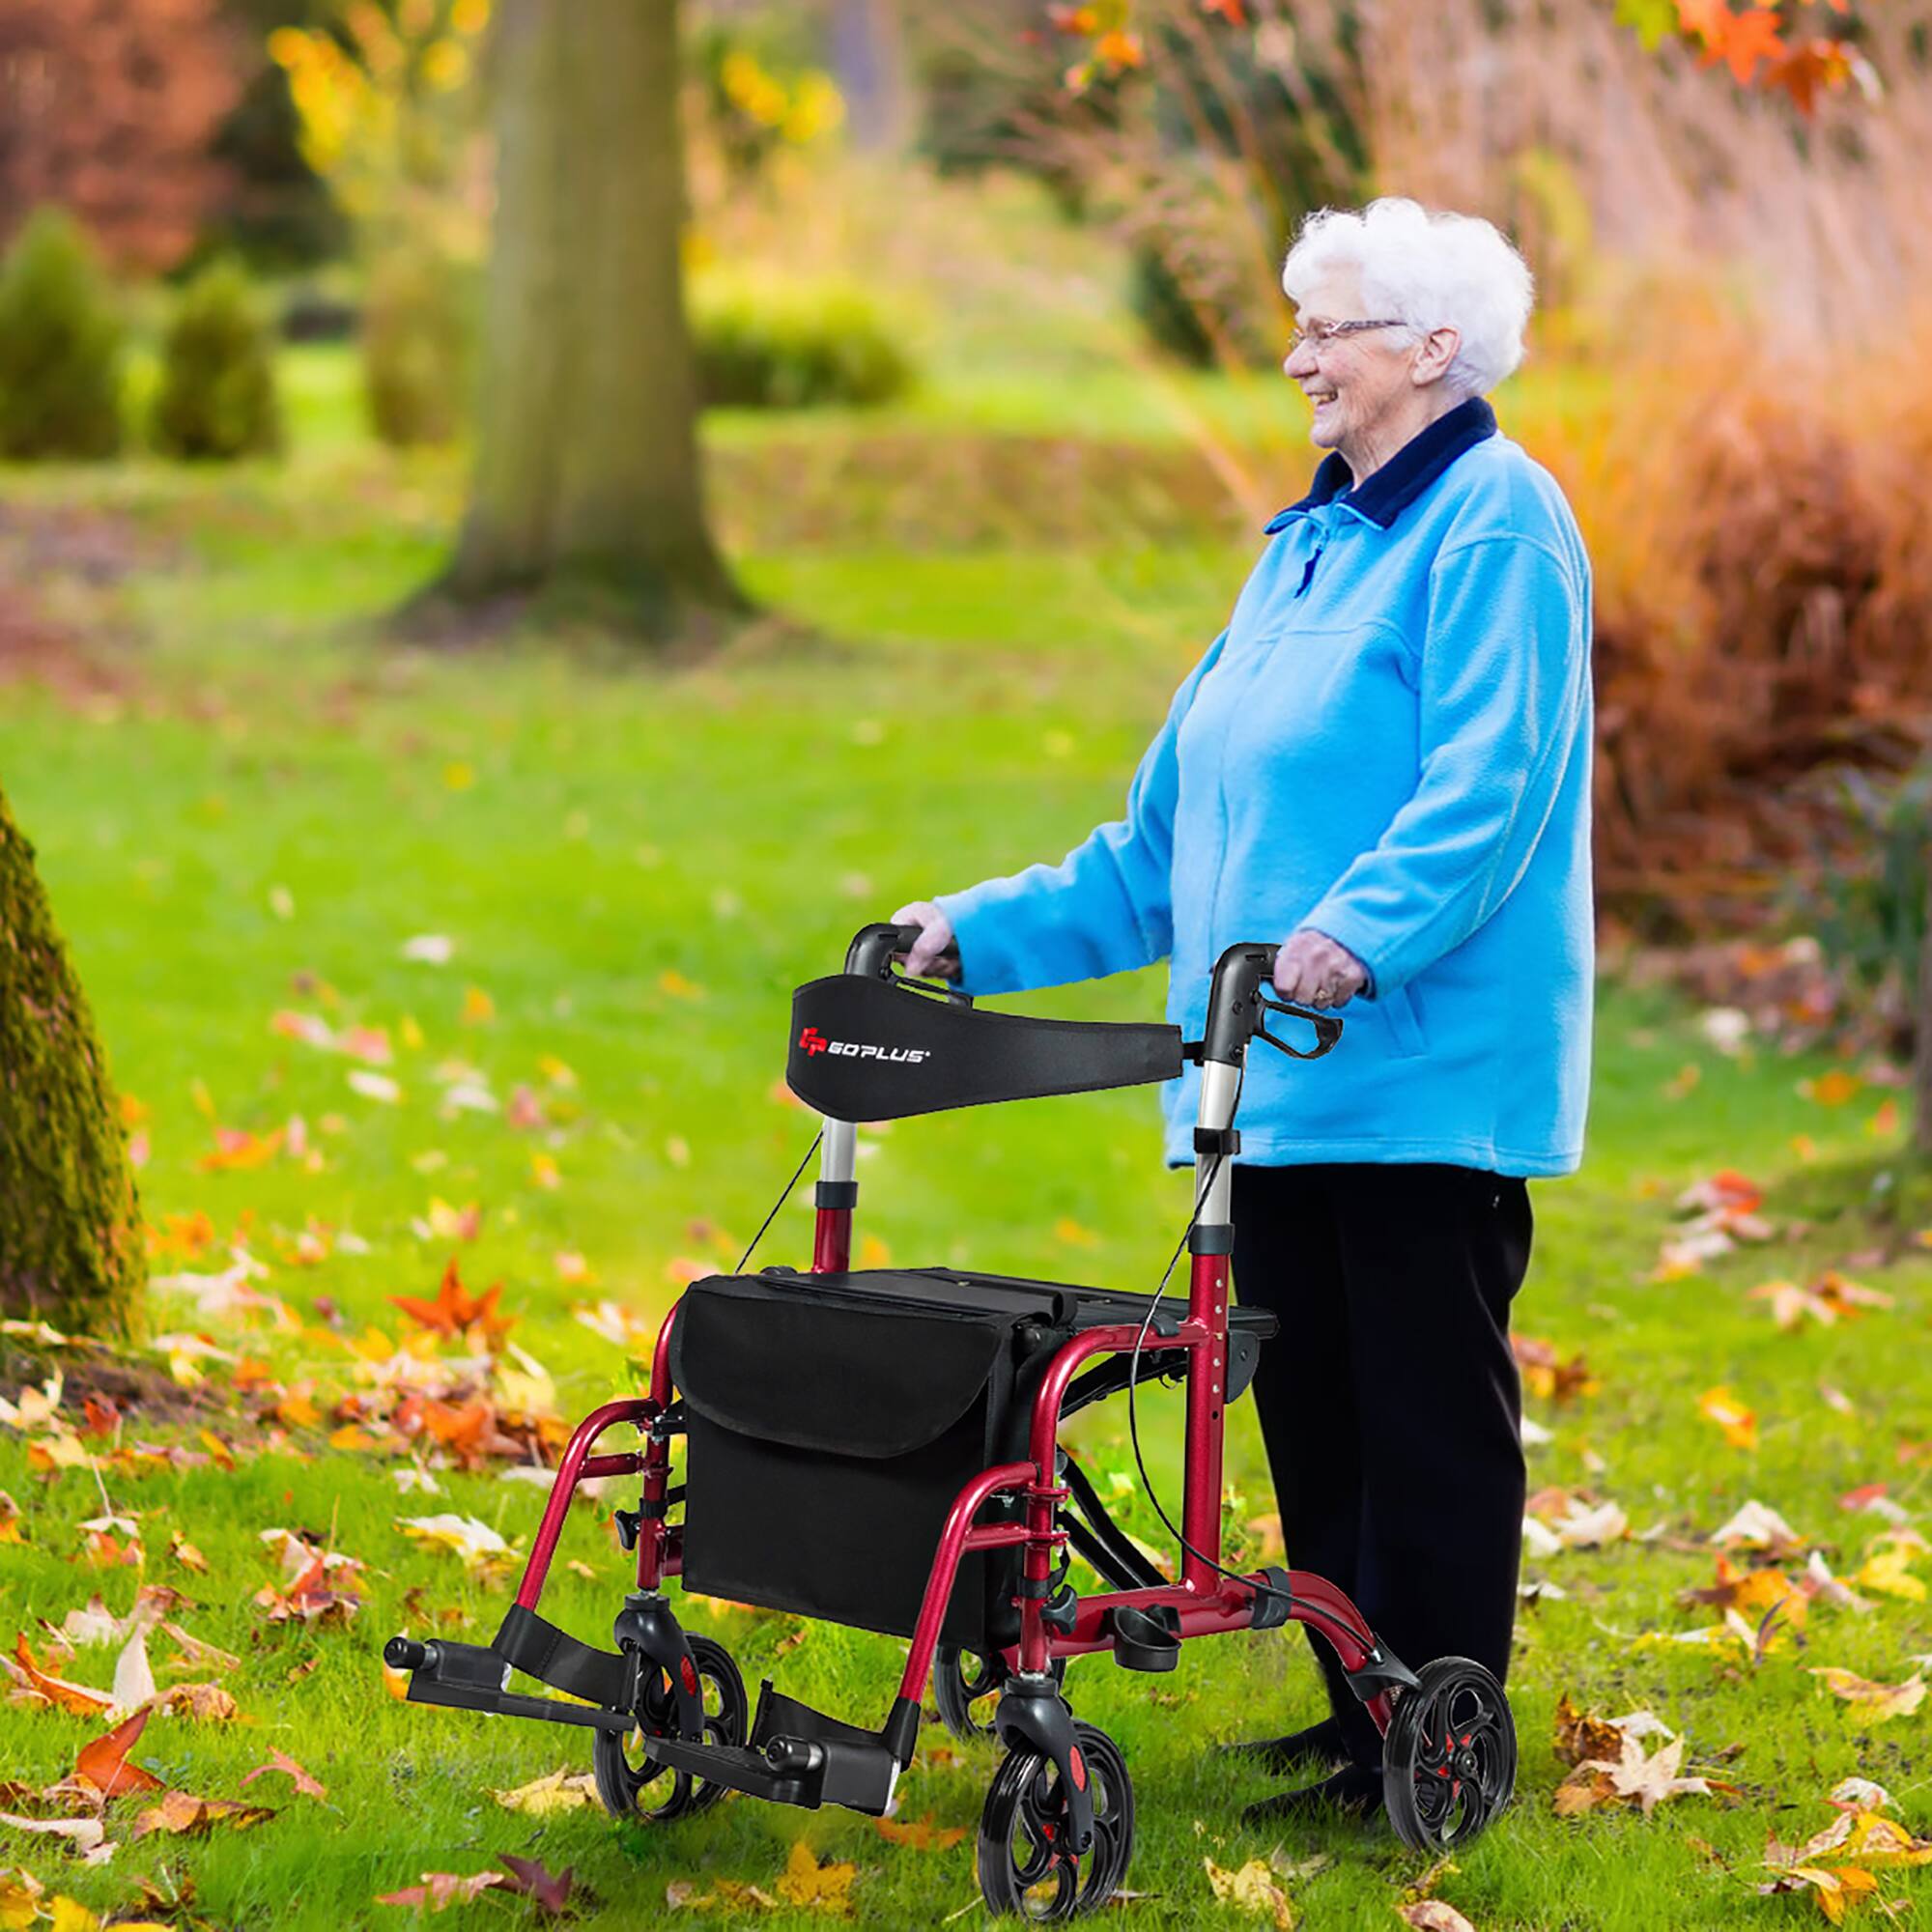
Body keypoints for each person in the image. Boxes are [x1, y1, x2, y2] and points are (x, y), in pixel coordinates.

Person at [892, 196, 1594, 1827]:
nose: (1298, 359)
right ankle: (1366, 1716)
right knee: (1321, 1423)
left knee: (1424, 1420)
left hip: (1417, 1070)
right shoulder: (1305, 551)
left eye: (1327, 327)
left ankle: (1443, 1742)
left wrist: (1355, 932)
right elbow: (1157, 850)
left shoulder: (1495, 520)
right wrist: (969, 935)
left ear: (1434, 349)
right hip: (1263, 1076)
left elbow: (1492, 787)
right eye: (1300, 327)